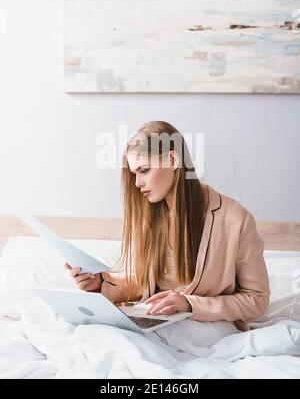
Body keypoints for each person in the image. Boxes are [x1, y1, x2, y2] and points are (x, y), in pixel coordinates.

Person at [65, 120, 270, 332]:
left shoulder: (236, 219)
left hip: (205, 328)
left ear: (172, 160)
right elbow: (140, 282)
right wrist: (100, 284)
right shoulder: (147, 216)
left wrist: (190, 304)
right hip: (156, 323)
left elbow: (258, 299)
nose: (137, 183)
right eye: (134, 174)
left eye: (144, 170)